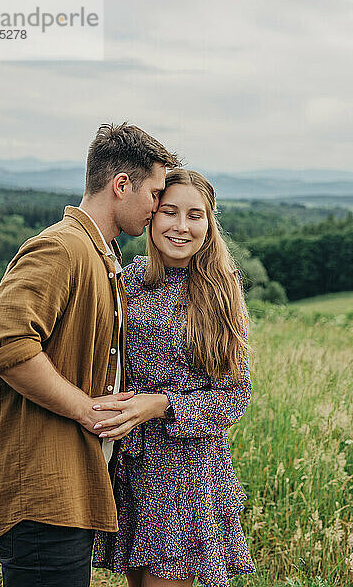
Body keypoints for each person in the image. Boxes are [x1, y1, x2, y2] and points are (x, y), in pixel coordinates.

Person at [0, 122, 180, 587]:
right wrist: (86, 410)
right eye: (153, 193)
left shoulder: (100, 256)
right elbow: (5, 341)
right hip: (42, 495)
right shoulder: (61, 247)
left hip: (70, 491)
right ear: (121, 185)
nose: (156, 208)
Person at [91, 169, 256, 587]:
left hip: (187, 474)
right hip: (132, 464)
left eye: (195, 215)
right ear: (151, 216)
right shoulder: (127, 281)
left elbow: (235, 397)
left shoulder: (220, 291)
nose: (181, 226)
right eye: (170, 212)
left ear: (209, 222)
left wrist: (161, 404)